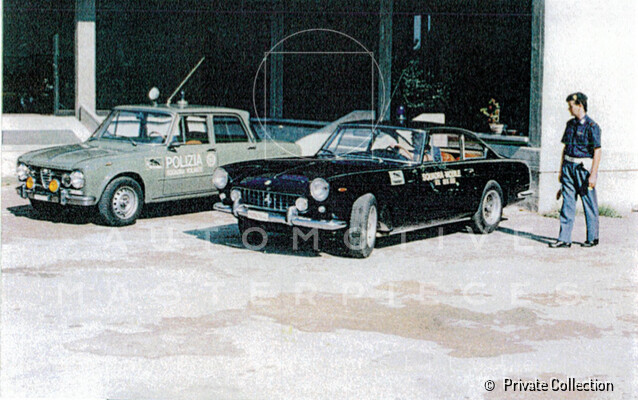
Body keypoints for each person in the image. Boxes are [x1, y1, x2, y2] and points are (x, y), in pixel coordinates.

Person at [550, 92, 601, 248]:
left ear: (580, 105)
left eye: (571, 106)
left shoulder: (592, 127)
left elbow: (597, 151)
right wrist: (561, 170)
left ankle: (592, 238)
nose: (569, 109)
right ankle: (564, 239)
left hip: (582, 169)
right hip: (568, 168)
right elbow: (565, 148)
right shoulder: (570, 124)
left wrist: (593, 175)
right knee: (567, 203)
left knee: (589, 203)